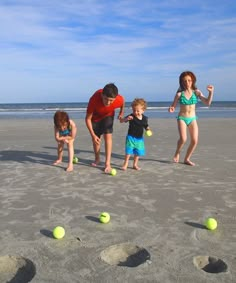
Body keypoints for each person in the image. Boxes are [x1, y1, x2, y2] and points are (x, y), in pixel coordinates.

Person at [168, 71, 214, 166]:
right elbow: (173, 106)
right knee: (183, 139)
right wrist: (171, 108)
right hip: (182, 118)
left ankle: (187, 159)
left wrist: (211, 93)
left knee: (194, 140)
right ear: (181, 82)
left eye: (189, 80)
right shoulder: (179, 94)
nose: (187, 83)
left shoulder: (196, 92)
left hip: (192, 118)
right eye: (184, 81)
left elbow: (207, 103)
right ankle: (177, 152)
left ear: (193, 81)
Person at [85, 83, 125, 173]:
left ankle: (107, 164)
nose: (108, 102)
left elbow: (123, 101)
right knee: (96, 139)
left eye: (111, 100)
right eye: (106, 99)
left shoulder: (118, 99)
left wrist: (121, 112)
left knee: (108, 136)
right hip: (95, 117)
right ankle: (97, 159)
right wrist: (93, 135)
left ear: (115, 98)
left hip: (108, 115)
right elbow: (87, 119)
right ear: (102, 95)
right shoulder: (94, 99)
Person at [120, 98, 151, 170]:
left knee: (138, 153)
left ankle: (135, 164)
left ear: (143, 110)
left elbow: (146, 125)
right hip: (131, 137)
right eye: (134, 110)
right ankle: (125, 164)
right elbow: (122, 121)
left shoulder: (145, 118)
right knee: (128, 152)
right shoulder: (131, 116)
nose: (135, 112)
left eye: (138, 111)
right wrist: (126, 119)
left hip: (139, 139)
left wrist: (148, 130)